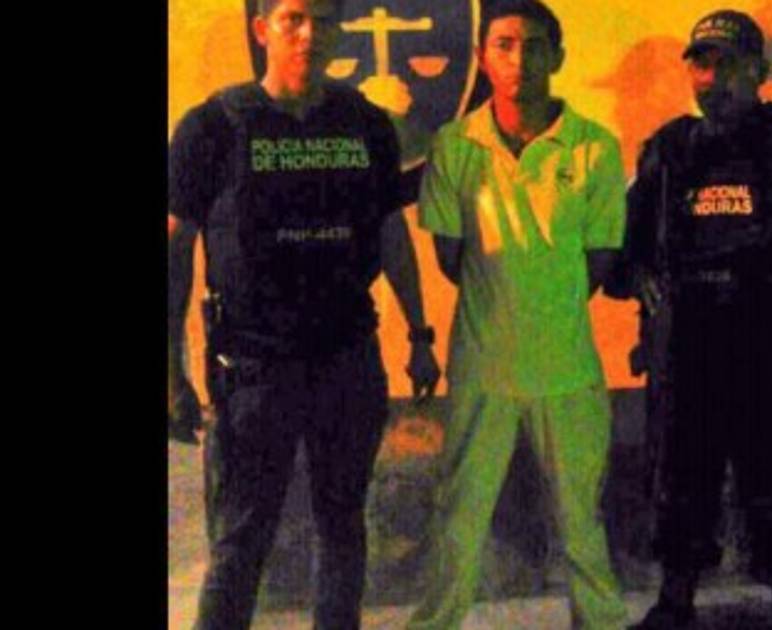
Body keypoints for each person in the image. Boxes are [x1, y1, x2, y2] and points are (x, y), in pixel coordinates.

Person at [166, 1, 441, 627]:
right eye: (293, 17)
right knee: (241, 541)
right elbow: (177, 251)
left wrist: (421, 333)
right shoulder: (213, 127)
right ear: (262, 29)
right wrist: (172, 371)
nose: (309, 33)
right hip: (254, 371)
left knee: (342, 528)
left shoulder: (365, 123)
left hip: (347, 358)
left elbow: (390, 230)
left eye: (323, 20)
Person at [609, 10, 772, 629]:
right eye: (702, 65)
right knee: (680, 479)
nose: (713, 78)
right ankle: (675, 601)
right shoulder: (669, 150)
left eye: (728, 65)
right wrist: (637, 278)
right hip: (689, 349)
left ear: (760, 71)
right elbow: (624, 250)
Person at [405, 1, 628, 628]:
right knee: (460, 517)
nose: (519, 59)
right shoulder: (455, 145)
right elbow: (451, 257)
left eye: (534, 46)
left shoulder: (593, 148)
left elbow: (600, 260)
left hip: (568, 367)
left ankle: (602, 622)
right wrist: (508, 303)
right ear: (482, 57)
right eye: (503, 44)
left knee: (581, 521)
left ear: (558, 56)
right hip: (484, 367)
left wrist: (542, 302)